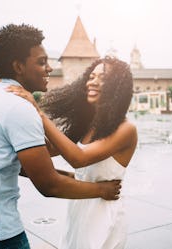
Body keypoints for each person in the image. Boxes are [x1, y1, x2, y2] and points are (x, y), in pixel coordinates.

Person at [0, 24, 121, 249]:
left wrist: (73, 177)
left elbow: (22, 165)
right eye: (41, 62)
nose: (50, 68)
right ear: (18, 66)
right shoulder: (19, 107)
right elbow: (49, 185)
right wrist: (102, 190)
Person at [8, 56, 138, 249]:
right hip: (79, 208)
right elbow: (52, 148)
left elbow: (78, 158)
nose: (93, 81)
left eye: (102, 78)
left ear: (117, 87)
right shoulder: (89, 123)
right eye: (91, 76)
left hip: (103, 213)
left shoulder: (126, 129)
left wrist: (39, 112)